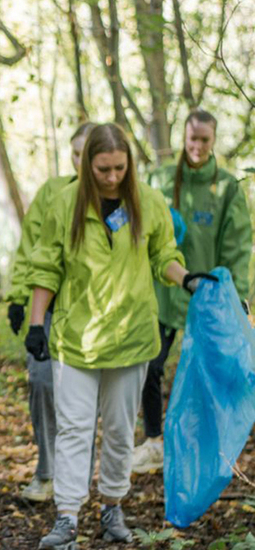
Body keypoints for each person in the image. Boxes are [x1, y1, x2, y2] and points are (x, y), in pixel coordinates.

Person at [24, 123, 215, 549]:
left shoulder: (146, 201)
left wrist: (188, 281)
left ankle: (111, 507)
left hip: (131, 337)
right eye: (103, 169)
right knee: (73, 428)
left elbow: (164, 253)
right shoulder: (64, 203)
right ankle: (67, 517)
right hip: (77, 339)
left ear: (129, 164)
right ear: (88, 164)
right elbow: (46, 267)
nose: (112, 178)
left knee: (117, 430)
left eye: (119, 168)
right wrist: (37, 323)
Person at [131, 109, 252, 473]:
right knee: (150, 366)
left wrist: (237, 299)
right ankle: (153, 441)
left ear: (213, 141)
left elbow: (237, 248)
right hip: (164, 295)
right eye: (192, 139)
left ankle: (203, 449)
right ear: (183, 138)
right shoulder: (160, 179)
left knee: (205, 374)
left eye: (204, 140)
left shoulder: (226, 187)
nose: (197, 146)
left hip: (206, 299)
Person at [6, 122, 96, 502]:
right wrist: (17, 296)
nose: (80, 162)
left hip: (93, 313)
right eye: (75, 154)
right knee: (42, 383)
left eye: (87, 154)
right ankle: (46, 474)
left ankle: (78, 479)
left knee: (85, 397)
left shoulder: (113, 197)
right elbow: (31, 247)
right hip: (49, 306)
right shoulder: (52, 192)